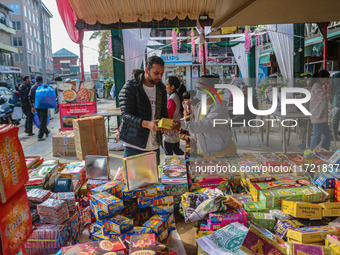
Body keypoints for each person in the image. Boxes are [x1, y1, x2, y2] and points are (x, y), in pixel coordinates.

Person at [118, 56, 169, 164]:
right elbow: (126, 116)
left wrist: (166, 124)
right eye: (156, 73)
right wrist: (147, 124)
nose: (159, 77)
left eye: (161, 73)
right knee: (133, 180)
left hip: (154, 146)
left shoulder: (161, 89)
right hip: (134, 146)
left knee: (153, 180)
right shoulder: (131, 87)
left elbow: (163, 111)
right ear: (147, 70)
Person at [175, 75, 236, 157]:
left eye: (201, 89)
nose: (198, 91)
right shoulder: (200, 105)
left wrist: (181, 124)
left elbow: (203, 124)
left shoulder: (220, 106)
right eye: (197, 88)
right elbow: (196, 124)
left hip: (222, 152)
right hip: (204, 152)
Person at [310, 70, 332, 150]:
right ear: (321, 78)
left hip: (321, 116)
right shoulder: (316, 87)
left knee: (328, 135)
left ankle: (324, 151)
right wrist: (329, 89)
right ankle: (312, 154)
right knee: (317, 137)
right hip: (318, 116)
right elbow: (325, 99)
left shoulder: (319, 86)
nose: (327, 81)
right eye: (327, 79)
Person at [163, 76, 184, 156]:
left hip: (170, 131)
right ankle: (187, 161)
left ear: (172, 87)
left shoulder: (172, 98)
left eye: (167, 84)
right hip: (176, 130)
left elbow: (168, 115)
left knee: (169, 154)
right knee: (177, 150)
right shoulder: (177, 96)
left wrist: (164, 128)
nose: (165, 87)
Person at [29, 76, 50, 141]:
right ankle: (40, 136)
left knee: (41, 119)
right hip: (44, 105)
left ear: (36, 80)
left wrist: (32, 107)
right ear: (41, 80)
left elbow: (30, 97)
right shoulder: (45, 86)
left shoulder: (33, 87)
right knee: (43, 120)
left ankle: (46, 131)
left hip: (37, 105)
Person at [332, 62, 340, 140]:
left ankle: (334, 136)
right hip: (336, 98)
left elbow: (332, 88)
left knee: (336, 118)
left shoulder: (335, 76)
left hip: (337, 99)